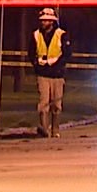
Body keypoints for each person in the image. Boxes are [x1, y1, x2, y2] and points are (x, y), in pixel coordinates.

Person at [27, 7, 72, 138]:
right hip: (42, 73)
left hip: (57, 74)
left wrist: (58, 66)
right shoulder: (36, 35)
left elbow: (67, 53)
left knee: (56, 104)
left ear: (52, 22)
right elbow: (31, 53)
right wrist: (36, 65)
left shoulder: (62, 34)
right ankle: (44, 129)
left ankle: (55, 130)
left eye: (46, 21)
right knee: (43, 103)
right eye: (42, 20)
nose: (43, 23)